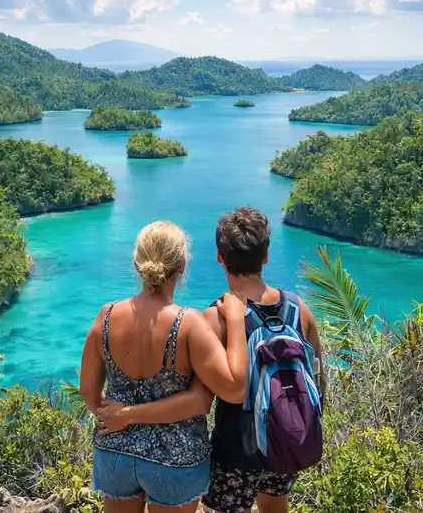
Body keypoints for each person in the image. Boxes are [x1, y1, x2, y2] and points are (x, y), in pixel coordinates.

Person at [97, 207, 324, 513]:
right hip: (286, 441)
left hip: (236, 451)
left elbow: (197, 396)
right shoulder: (300, 311)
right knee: (275, 502)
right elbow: (318, 380)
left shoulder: (214, 319)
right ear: (266, 256)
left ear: (220, 257)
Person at [79, 220, 250, 513]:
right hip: (175, 460)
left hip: (115, 454)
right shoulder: (188, 324)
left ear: (137, 263)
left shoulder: (105, 316)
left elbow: (88, 393)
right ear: (182, 267)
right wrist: (235, 321)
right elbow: (234, 390)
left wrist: (121, 417)